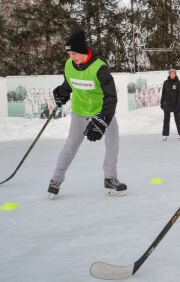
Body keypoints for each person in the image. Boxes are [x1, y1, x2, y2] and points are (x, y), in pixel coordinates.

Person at [48, 30, 126, 199]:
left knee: (113, 143)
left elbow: (111, 97)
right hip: (79, 112)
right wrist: (62, 93)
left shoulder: (100, 69)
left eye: (74, 53)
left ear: (83, 51)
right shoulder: (69, 65)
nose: (72, 57)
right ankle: (56, 179)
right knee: (70, 146)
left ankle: (110, 178)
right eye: (69, 53)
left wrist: (103, 120)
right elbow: (69, 83)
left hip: (102, 112)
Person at [161, 68, 180, 140]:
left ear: (175, 74)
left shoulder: (178, 82)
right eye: (171, 74)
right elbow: (163, 93)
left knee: (177, 119)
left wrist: (178, 103)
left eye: (173, 74)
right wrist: (162, 103)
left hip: (175, 104)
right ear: (169, 74)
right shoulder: (165, 82)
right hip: (167, 104)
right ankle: (165, 135)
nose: (172, 75)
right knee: (166, 120)